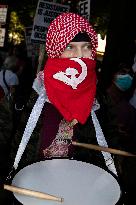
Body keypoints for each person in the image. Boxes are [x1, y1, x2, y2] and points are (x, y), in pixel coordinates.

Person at [12, 12, 123, 204]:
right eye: (70, 47)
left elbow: (114, 154)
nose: (80, 56)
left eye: (86, 47)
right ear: (55, 52)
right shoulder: (22, 99)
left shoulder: (102, 104)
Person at [107, 63, 136, 204]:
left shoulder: (129, 109)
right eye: (123, 72)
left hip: (115, 161)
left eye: (131, 75)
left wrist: (124, 136)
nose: (128, 77)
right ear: (114, 75)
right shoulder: (99, 100)